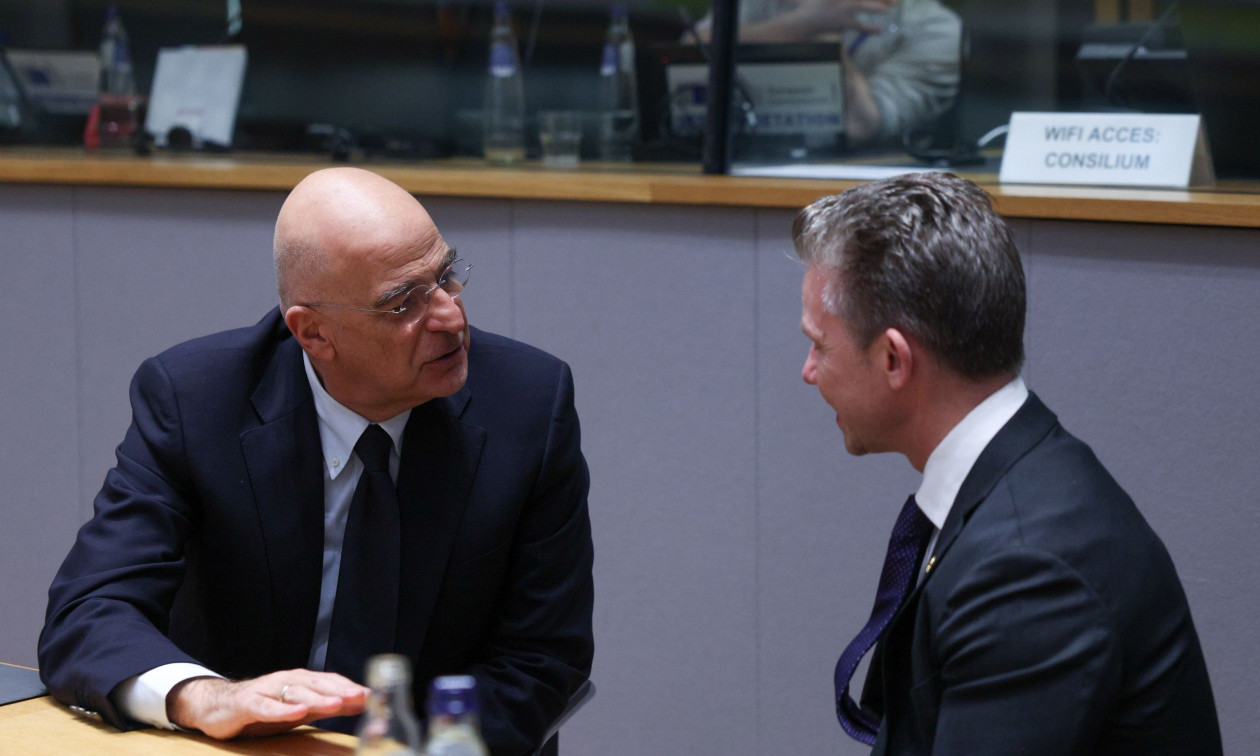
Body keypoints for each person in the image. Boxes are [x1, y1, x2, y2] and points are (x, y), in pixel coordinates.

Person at [38, 167, 594, 755]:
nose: (451, 316)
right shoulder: (197, 402)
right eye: (403, 303)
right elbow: (90, 612)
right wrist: (205, 698)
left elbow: (542, 660)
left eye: (446, 276)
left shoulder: (528, 404)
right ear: (313, 333)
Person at [794, 172, 1221, 754]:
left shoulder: (1025, 571)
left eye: (820, 344)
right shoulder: (1015, 482)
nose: (809, 371)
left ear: (894, 358)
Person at [696, 0, 960, 145]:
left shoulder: (936, 27)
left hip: (874, 190)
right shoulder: (766, 4)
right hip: (748, 165)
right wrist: (800, 25)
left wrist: (823, 28)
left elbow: (861, 124)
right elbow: (690, 50)